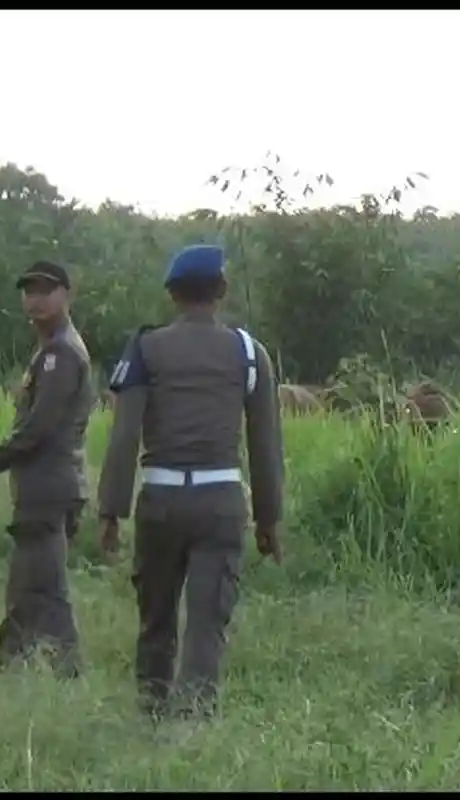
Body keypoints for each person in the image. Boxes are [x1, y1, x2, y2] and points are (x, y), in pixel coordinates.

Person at [96, 243, 285, 720]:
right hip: (220, 501)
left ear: (173, 294)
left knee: (155, 617)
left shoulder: (145, 348)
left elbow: (124, 437)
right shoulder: (249, 352)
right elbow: (265, 447)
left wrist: (111, 512)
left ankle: (151, 710)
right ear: (221, 290)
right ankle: (195, 721)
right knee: (206, 623)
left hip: (159, 499)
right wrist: (269, 519)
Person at [0, 260, 95, 679]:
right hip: (47, 487)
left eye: (46, 290)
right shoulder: (50, 349)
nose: (36, 299)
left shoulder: (60, 353)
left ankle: (62, 674)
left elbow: (38, 427)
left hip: (48, 487)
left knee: (42, 589)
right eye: (29, 291)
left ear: (67, 295)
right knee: (30, 588)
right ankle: (16, 670)